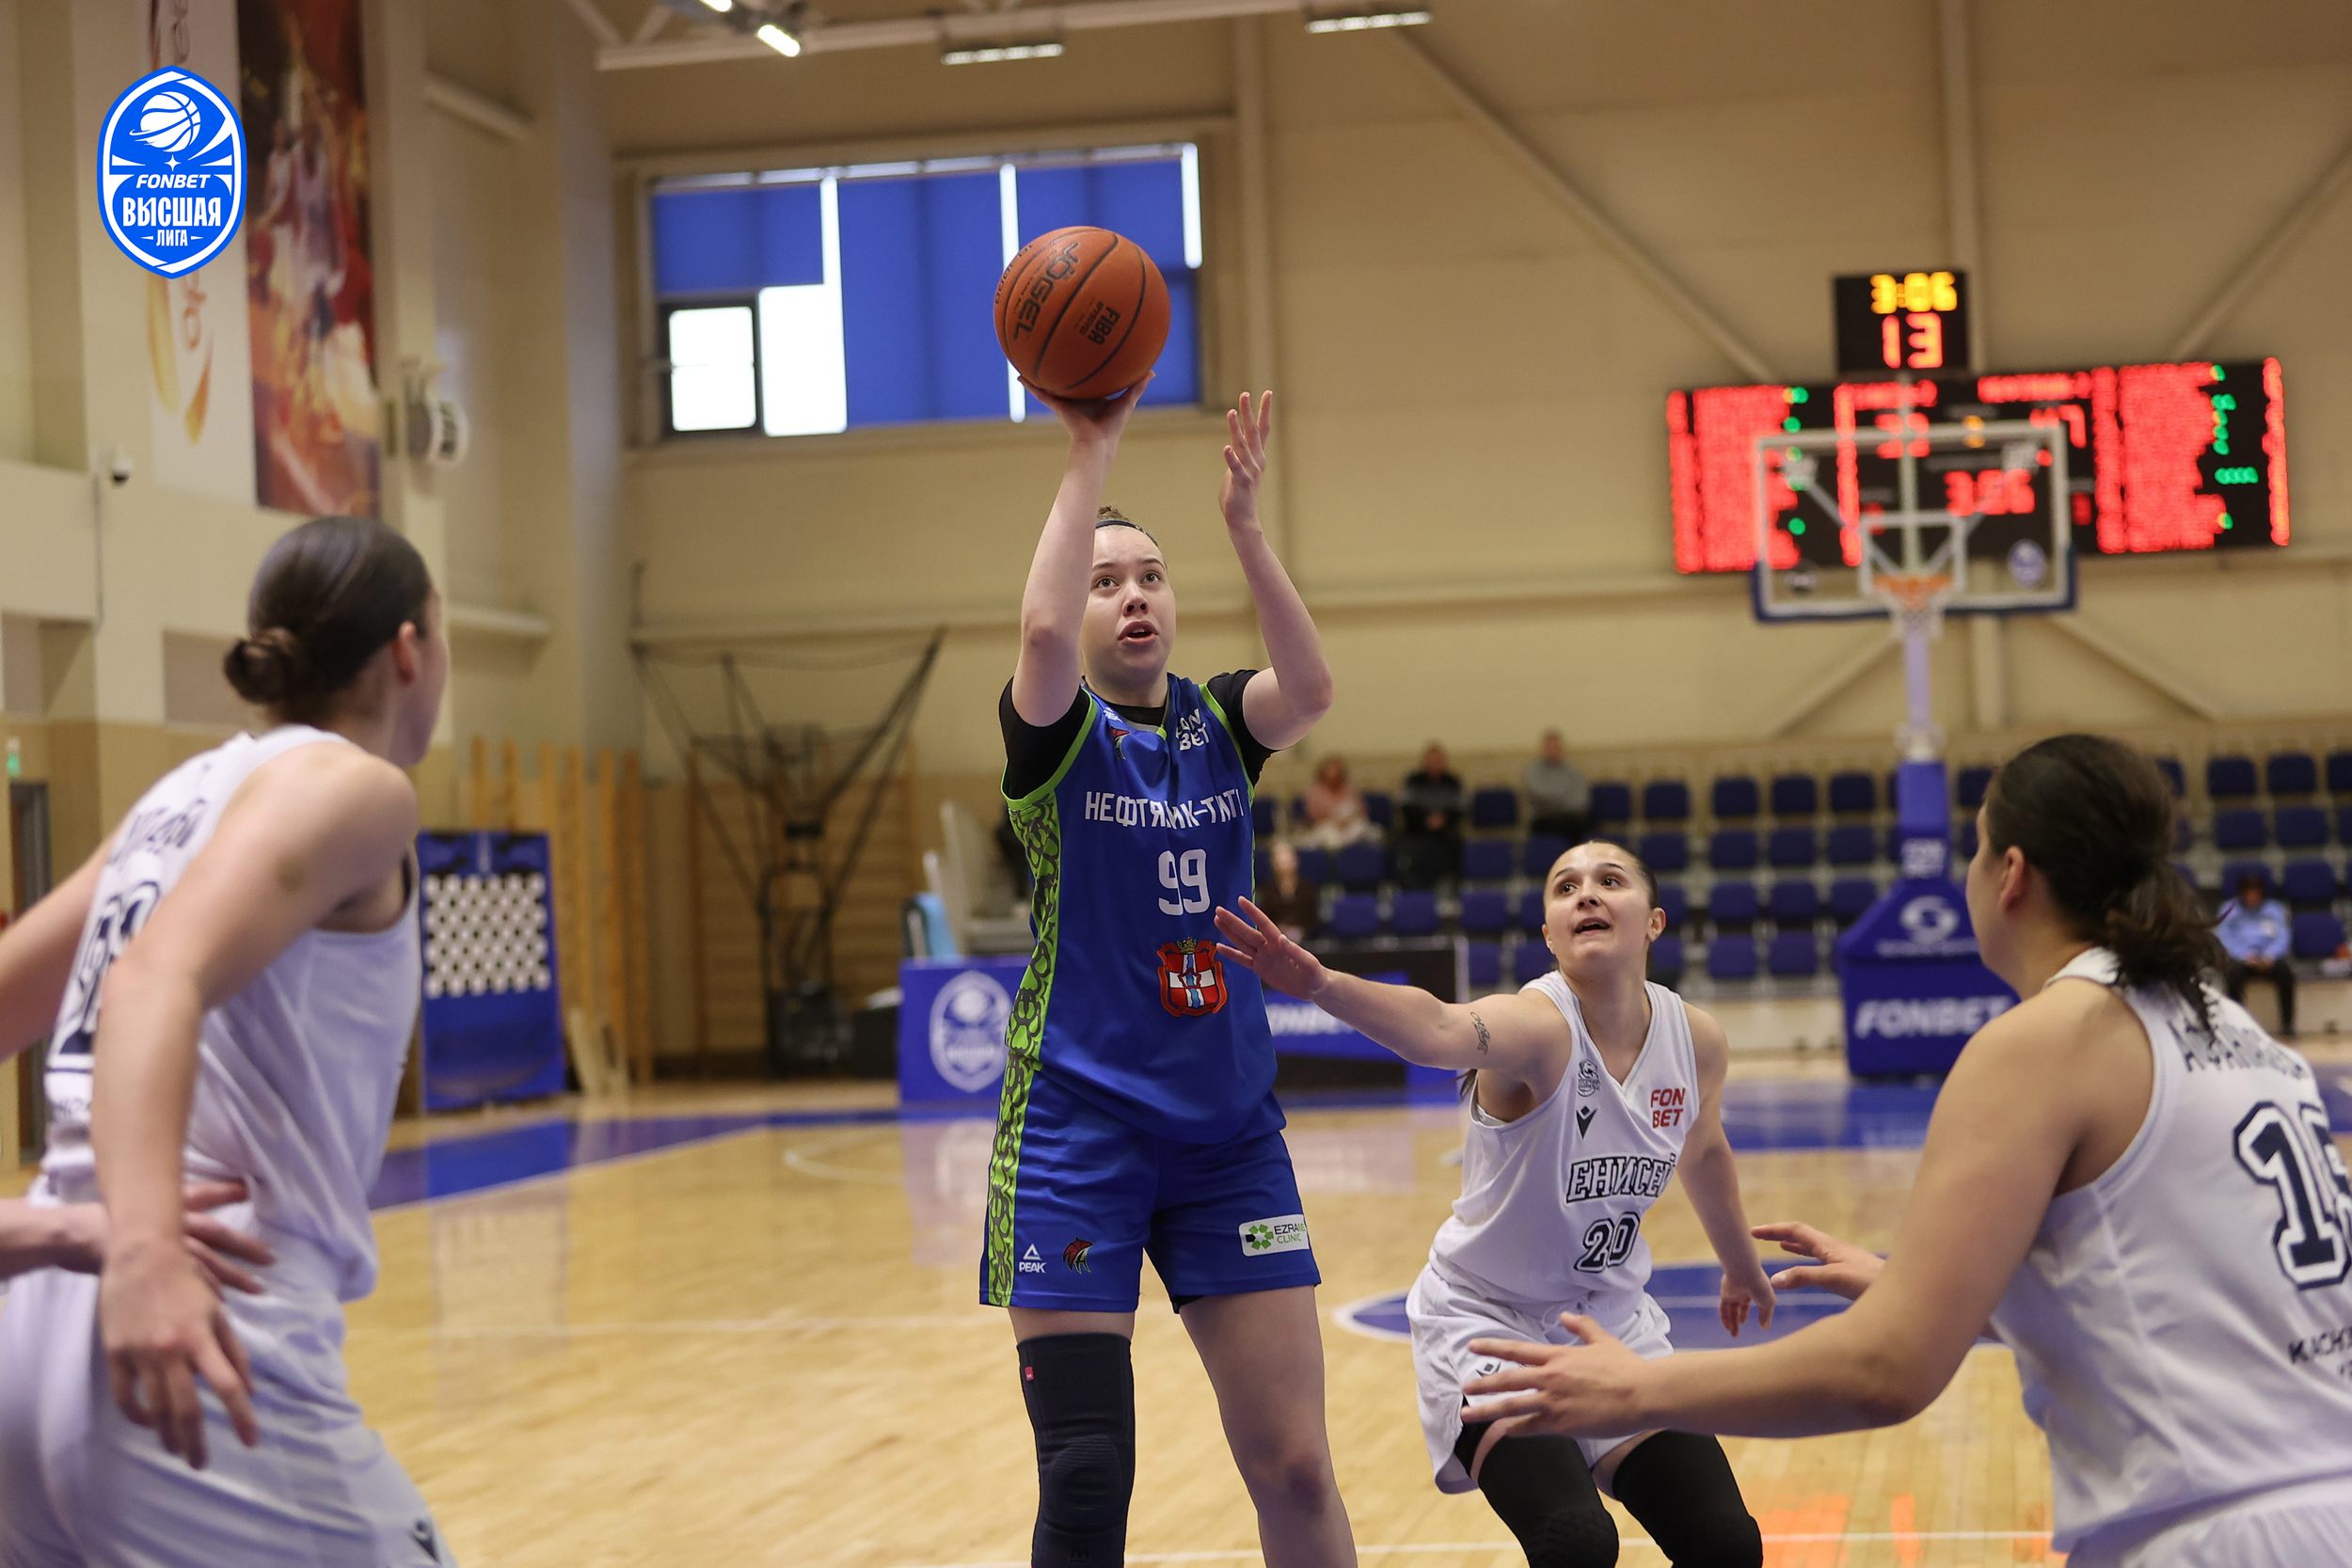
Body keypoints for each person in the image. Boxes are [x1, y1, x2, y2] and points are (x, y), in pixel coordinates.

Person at [1458, 736, 2352, 1568]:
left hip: (2220, 1527)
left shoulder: (2045, 1041)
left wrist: (1637, 1389)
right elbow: (2169, 1291)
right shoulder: (2238, 1029)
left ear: (2010, 875)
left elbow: (1887, 1371)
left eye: (1975, 849)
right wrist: (1911, 1283)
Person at [0, 515, 457, 1566]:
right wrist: (145, 1249)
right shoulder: (359, 787)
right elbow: (153, 977)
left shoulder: (172, 801)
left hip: (34, 1333)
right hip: (193, 1313)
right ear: (409, 648)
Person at [988, 382, 1354, 1567]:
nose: (1134, 594)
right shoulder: (1054, 731)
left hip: (1224, 1134)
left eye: (1150, 575)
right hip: (1077, 1127)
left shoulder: (1217, 724)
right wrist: (1089, 451)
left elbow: (1311, 691)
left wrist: (1246, 529)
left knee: (1296, 1463)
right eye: (1106, 581)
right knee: (1086, 1471)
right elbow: (1041, 639)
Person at [1215, 840, 1772, 1567]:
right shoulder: (1539, 1027)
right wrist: (1321, 983)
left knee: (1726, 1542)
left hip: (1609, 1321)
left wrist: (1741, 1264)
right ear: (1549, 934)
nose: (1587, 893)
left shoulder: (1695, 1040)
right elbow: (1440, 1028)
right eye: (1565, 886)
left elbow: (1703, 1149)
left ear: (1655, 921)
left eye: (1610, 880)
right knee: (1576, 1541)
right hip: (1485, 1323)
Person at [2217, 870, 2296, 1037]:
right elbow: (2224, 937)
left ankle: (2288, 1025)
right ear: (2242, 893)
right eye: (2248, 892)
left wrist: (2270, 955)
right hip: (2242, 960)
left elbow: (2282, 936)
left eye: (2255, 892)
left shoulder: (2274, 909)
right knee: (2232, 975)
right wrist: (2244, 955)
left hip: (2268, 960)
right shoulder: (2229, 909)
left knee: (2286, 974)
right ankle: (2236, 1024)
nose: (2252, 896)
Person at [1396, 744, 1466, 889]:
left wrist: (1443, 820)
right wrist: (1426, 820)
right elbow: (1406, 808)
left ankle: (1452, 888)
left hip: (1445, 832)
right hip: (1417, 832)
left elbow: (1459, 809)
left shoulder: (1453, 782)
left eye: (1438, 761)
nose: (1434, 764)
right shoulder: (1413, 781)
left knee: (1458, 847)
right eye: (1431, 761)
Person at [1524, 731, 1592, 843]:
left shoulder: (1572, 771)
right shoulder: (1534, 771)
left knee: (1586, 826)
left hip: (1570, 818)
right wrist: (1565, 798)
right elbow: (1538, 795)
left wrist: (1557, 800)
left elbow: (1582, 800)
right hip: (1544, 818)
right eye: (1549, 747)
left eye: (1555, 747)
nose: (1552, 750)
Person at [1300, 756, 1375, 850]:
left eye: (1337, 771)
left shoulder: (1350, 789)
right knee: (1332, 839)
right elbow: (1312, 816)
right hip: (1326, 827)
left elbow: (1362, 810)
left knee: (1365, 831)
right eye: (1330, 771)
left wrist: (1348, 819)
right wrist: (1335, 821)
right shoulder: (1315, 792)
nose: (1333, 774)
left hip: (1350, 826)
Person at [1255, 841, 1322, 944]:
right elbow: (1264, 920)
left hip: (1306, 942)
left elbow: (1314, 921)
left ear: (1296, 861)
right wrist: (1279, 931)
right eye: (1280, 860)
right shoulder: (1268, 891)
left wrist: (1301, 932)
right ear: (1273, 864)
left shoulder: (1308, 890)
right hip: (1275, 941)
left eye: (1287, 859)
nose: (1284, 864)